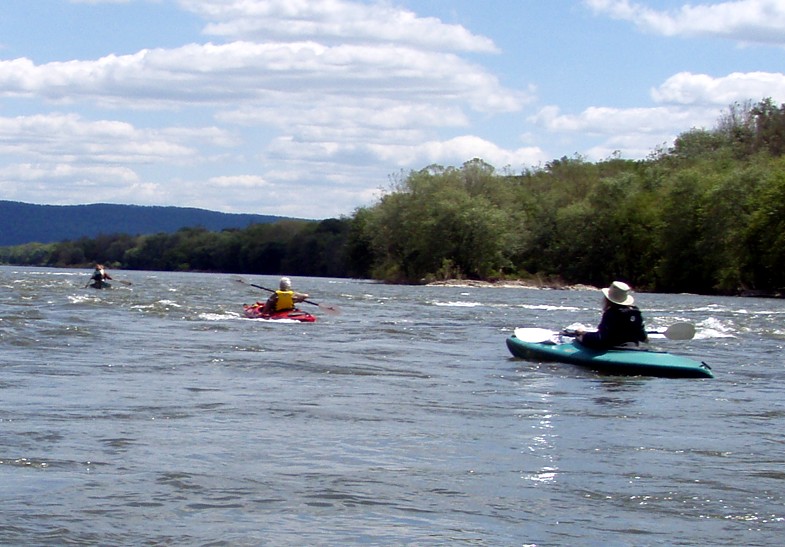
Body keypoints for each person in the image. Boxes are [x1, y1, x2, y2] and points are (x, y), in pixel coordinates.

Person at [574, 281, 647, 349]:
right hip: (632, 348)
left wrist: (583, 334)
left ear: (608, 299)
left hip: (614, 348)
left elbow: (600, 339)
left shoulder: (611, 313)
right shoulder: (635, 312)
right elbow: (643, 338)